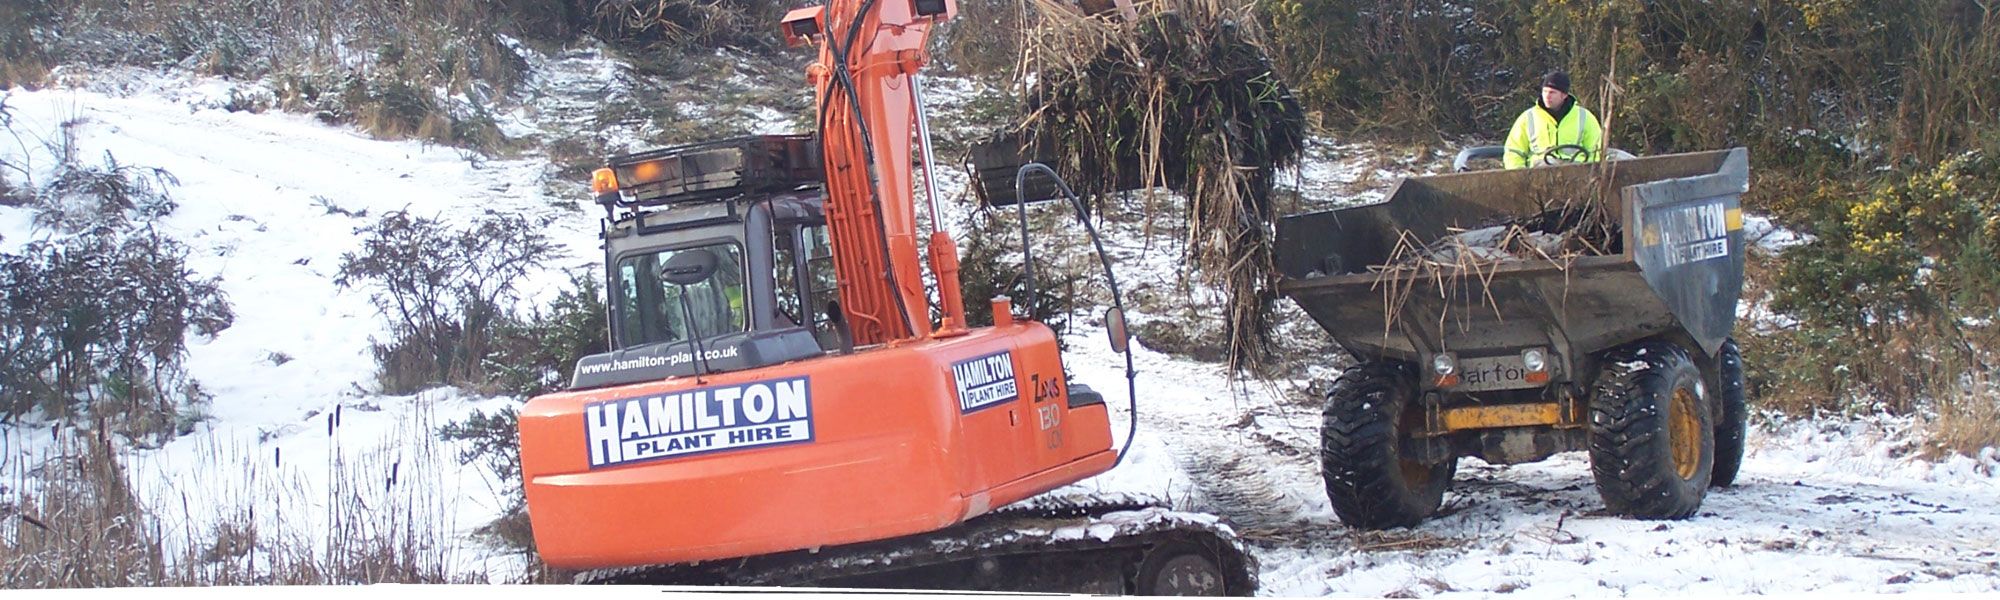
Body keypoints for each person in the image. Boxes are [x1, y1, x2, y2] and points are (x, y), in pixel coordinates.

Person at [1504, 70, 1604, 169]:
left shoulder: (1585, 117)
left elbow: (1597, 150)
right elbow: (1514, 151)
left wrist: (1590, 172)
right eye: (1545, 91)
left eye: (1552, 92)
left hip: (1576, 173)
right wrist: (1518, 177)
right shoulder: (1527, 118)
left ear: (1564, 95)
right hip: (1539, 174)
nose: (1547, 96)